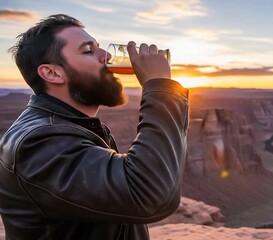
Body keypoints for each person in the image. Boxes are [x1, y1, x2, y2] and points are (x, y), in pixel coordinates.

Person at [0, 14, 188, 240]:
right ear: (52, 73)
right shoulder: (39, 142)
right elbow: (147, 193)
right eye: (88, 51)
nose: (107, 56)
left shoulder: (70, 127)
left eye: (100, 48)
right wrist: (160, 87)